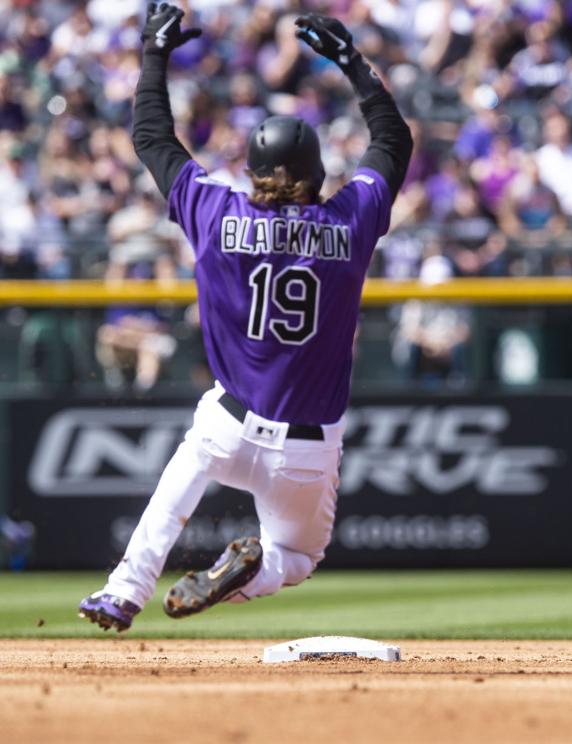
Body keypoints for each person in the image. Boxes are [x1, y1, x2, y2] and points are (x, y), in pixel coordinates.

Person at [78, 3, 412, 632]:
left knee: (185, 470)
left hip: (228, 425)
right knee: (297, 557)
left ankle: (124, 589)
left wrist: (155, 53)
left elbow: (151, 136)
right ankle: (251, 570)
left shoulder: (216, 213)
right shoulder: (348, 220)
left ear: (254, 173)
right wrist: (352, 62)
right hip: (308, 447)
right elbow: (393, 140)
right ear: (316, 174)